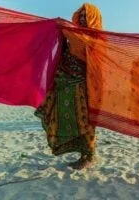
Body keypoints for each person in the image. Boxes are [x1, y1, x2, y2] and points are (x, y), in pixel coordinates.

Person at [34, 3, 102, 170]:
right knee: (58, 115)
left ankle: (89, 155)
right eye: (81, 16)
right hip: (62, 81)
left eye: (87, 16)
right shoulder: (71, 33)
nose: (83, 19)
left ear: (94, 19)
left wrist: (66, 29)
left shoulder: (97, 39)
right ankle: (80, 153)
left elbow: (92, 58)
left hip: (81, 85)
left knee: (85, 121)